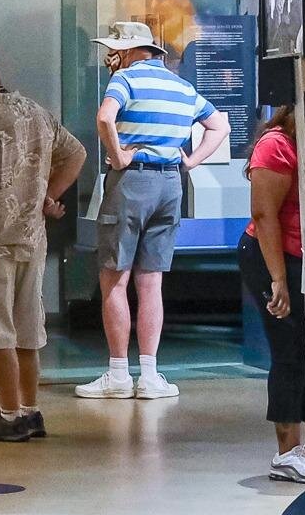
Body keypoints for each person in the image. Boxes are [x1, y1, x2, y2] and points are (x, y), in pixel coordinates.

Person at [80, 20, 231, 400]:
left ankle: (118, 374)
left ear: (130, 51)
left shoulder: (125, 79)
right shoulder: (182, 86)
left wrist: (118, 157)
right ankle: (149, 375)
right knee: (151, 282)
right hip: (170, 185)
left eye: (115, 50)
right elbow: (219, 126)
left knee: (115, 278)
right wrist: (191, 161)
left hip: (132, 182)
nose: (110, 57)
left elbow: (104, 117)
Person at [0, 49, 86, 443]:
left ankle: (9, 415)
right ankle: (30, 410)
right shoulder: (36, 112)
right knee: (27, 330)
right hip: (32, 238)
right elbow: (76, 153)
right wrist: (49, 196)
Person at [241, 106, 305, 482]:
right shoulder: (276, 144)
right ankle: (287, 454)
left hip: (302, 259)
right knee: (288, 351)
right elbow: (264, 214)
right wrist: (278, 279)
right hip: (273, 258)